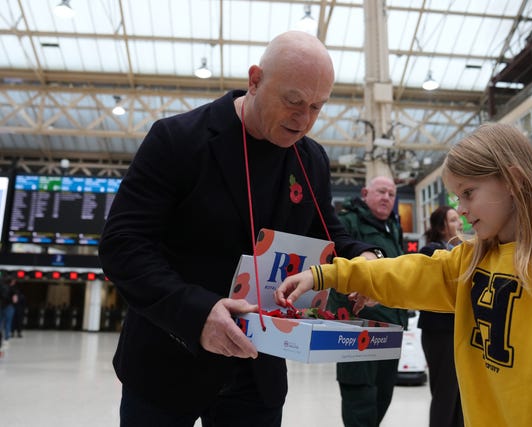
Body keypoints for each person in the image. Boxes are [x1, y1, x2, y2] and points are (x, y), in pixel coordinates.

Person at [98, 30, 381, 427]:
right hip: (168, 359)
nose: (304, 121)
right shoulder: (178, 140)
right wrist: (198, 313)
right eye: (293, 101)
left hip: (257, 371)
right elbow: (122, 245)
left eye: (317, 106)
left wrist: (367, 259)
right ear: (254, 80)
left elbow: (328, 233)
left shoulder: (311, 159)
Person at [276, 123, 532, 426]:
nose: (462, 210)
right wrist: (326, 275)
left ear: (513, 180)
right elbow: (405, 272)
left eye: (468, 193)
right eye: (456, 199)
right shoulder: (469, 262)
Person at [327, 175, 408, 427]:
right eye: (381, 191)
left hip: (391, 330)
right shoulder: (347, 222)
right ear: (365, 193)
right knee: (359, 399)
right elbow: (333, 265)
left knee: (383, 396)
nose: (387, 198)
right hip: (358, 329)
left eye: (391, 194)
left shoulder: (393, 226)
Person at [418, 205, 464, 427]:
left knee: (461, 396)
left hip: (459, 330)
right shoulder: (430, 252)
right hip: (439, 332)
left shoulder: (463, 249)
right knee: (445, 394)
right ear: (441, 226)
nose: (460, 223)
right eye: (454, 220)